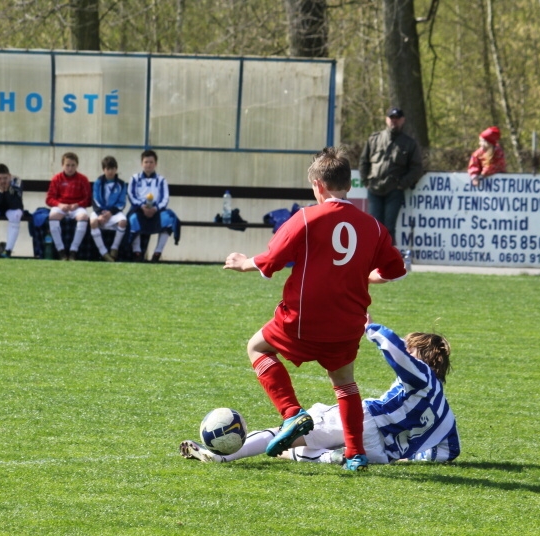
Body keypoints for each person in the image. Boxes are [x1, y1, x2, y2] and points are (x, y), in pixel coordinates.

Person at [223, 147, 407, 472]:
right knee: (345, 384)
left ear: (318, 186)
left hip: (303, 319)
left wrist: (242, 263)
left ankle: (292, 414)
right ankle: (355, 453)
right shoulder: (374, 228)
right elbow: (395, 269)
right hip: (349, 323)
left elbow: (272, 259)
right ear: (348, 185)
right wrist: (365, 274)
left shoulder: (307, 217)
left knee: (257, 347)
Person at [180, 318, 459, 465]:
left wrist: (369, 328)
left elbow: (393, 349)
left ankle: (221, 456)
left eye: (411, 350)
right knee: (306, 448)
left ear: (421, 356)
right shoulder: (443, 408)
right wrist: (413, 458)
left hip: (365, 423)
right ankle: (328, 457)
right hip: (382, 453)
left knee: (287, 432)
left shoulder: (421, 374)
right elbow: (450, 451)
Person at [358, 107, 424, 245]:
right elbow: (363, 161)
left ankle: (388, 262)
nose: (394, 121)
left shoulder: (409, 143)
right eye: (391, 118)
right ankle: (372, 260)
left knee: (389, 227)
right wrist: (366, 181)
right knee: (374, 226)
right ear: (386, 119)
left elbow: (416, 168)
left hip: (394, 190)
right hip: (374, 189)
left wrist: (402, 184)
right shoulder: (374, 139)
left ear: (403, 120)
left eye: (397, 118)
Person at [127, 149, 175, 262]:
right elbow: (131, 195)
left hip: (156, 210)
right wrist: (142, 207)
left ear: (156, 164)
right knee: (132, 219)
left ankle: (157, 253)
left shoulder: (161, 180)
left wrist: (155, 208)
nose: (148, 165)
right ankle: (137, 253)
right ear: (141, 163)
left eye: (151, 162)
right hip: (139, 209)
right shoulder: (134, 179)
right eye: (146, 162)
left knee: (169, 220)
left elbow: (165, 198)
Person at [46, 152, 91, 261]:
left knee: (84, 217)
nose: (70, 168)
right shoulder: (57, 179)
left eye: (73, 165)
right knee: (52, 216)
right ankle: (60, 250)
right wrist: (59, 205)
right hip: (61, 206)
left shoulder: (83, 179)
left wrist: (78, 204)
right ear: (62, 165)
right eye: (67, 165)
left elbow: (88, 199)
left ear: (77, 165)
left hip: (76, 207)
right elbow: (49, 199)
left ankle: (73, 251)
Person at [89, 155, 128, 262]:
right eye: (107, 169)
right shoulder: (98, 182)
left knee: (123, 221)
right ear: (103, 170)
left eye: (112, 169)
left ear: (116, 169)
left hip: (113, 212)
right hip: (100, 211)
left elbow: (122, 203)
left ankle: (114, 249)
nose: (110, 171)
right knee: (93, 222)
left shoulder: (121, 184)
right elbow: (95, 199)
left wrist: (110, 213)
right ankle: (103, 252)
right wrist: (101, 213)